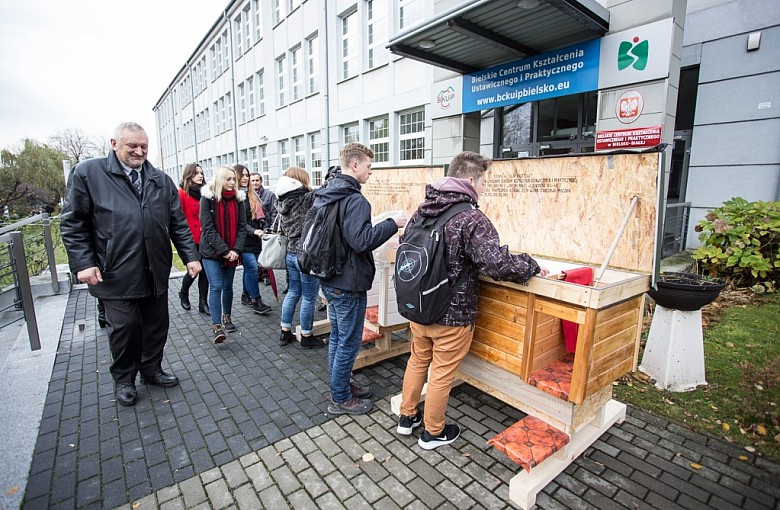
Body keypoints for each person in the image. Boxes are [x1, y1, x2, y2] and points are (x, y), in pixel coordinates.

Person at [396, 151, 549, 449]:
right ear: (469, 180)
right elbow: (497, 265)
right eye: (482, 182)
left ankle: (407, 417)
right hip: (451, 314)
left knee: (418, 360)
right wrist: (530, 265)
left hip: (418, 305)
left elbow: (406, 246)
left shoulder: (423, 209)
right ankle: (433, 432)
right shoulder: (470, 218)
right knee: (441, 372)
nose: (483, 189)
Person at [61, 122, 201, 407]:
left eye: (144, 147)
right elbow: (73, 223)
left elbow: (178, 223)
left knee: (156, 325)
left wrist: (191, 256)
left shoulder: (160, 180)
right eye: (132, 146)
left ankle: (151, 369)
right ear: (114, 144)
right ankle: (124, 379)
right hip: (114, 271)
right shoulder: (89, 174)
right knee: (125, 328)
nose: (139, 152)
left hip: (154, 269)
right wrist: (84, 263)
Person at [314, 143, 406, 415]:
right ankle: (340, 398)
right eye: (368, 166)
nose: (370, 172)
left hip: (330, 278)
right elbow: (361, 241)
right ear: (354, 165)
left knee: (338, 337)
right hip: (347, 283)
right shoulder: (355, 200)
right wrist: (392, 224)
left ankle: (339, 386)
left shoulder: (328, 193)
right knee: (348, 342)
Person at [275, 167, 325, 348]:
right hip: (306, 254)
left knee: (293, 292)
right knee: (309, 297)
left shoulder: (281, 200)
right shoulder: (304, 198)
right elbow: (326, 189)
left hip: (290, 252)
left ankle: (285, 332)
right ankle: (306, 335)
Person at [200, 165, 249, 343]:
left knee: (228, 286)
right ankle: (216, 326)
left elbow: (242, 227)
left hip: (232, 251)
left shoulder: (239, 199)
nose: (232, 182)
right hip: (211, 251)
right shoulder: (208, 199)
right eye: (228, 179)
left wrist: (235, 250)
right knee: (216, 286)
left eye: (233, 179)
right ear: (220, 179)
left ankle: (227, 317)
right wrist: (224, 250)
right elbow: (208, 228)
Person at [236, 165, 272, 315]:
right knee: (251, 267)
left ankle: (246, 295)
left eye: (247, 175)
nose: (245, 178)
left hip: (256, 239)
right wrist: (253, 231)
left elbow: (261, 216)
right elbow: (239, 223)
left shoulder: (253, 195)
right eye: (242, 175)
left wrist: (265, 226)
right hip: (243, 240)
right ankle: (257, 301)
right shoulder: (235, 196)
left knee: (249, 269)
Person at [178, 163, 210, 314]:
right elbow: (178, 219)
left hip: (206, 238)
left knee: (206, 272)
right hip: (190, 240)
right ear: (189, 175)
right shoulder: (182, 193)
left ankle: (203, 303)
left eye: (201, 173)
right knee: (194, 270)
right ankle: (183, 293)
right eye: (196, 173)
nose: (200, 175)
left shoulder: (206, 193)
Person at [250, 172, 278, 286]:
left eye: (257, 180)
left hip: (266, 229)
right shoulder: (247, 195)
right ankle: (258, 274)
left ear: (261, 181)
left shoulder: (269, 195)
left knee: (266, 253)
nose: (255, 183)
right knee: (256, 254)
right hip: (253, 231)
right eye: (253, 181)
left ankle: (266, 275)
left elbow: (274, 212)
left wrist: (270, 227)